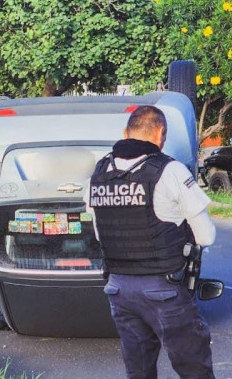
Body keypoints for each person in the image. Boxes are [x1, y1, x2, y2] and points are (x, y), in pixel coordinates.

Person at [84, 105, 216, 379]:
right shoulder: (170, 171)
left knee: (139, 370)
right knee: (194, 367)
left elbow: (99, 233)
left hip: (118, 289)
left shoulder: (97, 174)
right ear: (160, 134)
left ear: (125, 132)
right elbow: (206, 236)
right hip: (163, 290)